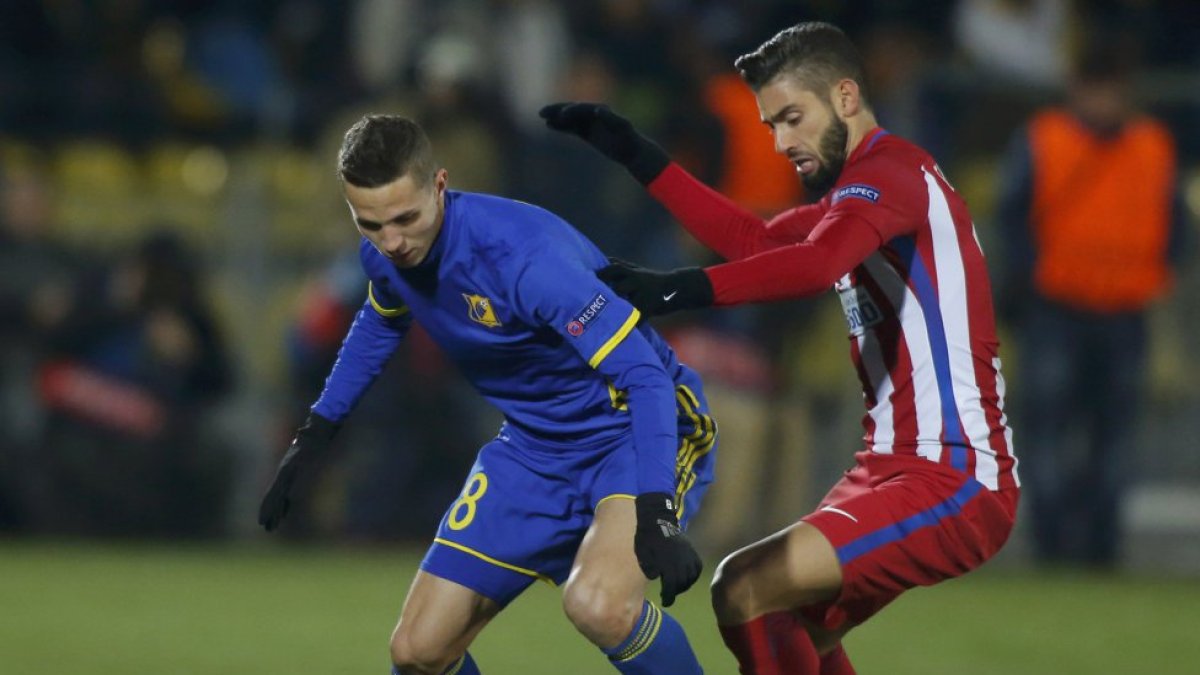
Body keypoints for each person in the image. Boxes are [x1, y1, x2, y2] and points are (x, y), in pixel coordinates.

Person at [541, 21, 1019, 674]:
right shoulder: (861, 193)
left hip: (952, 475)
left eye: (792, 117)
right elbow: (754, 240)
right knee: (790, 623)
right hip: (890, 466)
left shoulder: (893, 172)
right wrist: (636, 153)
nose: (782, 141)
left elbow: (815, 266)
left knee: (746, 585)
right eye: (771, 125)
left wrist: (674, 289)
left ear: (847, 97)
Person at [257, 114, 718, 675]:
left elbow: (644, 377)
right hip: (532, 448)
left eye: (405, 218)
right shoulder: (385, 249)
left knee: (597, 605)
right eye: (370, 224)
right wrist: (317, 433)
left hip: (628, 434)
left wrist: (658, 511)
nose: (393, 242)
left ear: (441, 185)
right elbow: (382, 319)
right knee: (418, 652)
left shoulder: (524, 260)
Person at [995, 41, 1190, 567]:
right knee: (1051, 431)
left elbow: (1174, 223)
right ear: (1076, 89)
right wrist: (1027, 287)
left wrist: (1156, 273)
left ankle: (1101, 542)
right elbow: (1012, 222)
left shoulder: (1153, 145)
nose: (1104, 101)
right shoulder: (1044, 140)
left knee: (1115, 435)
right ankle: (1055, 542)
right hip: (1057, 308)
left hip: (1125, 310)